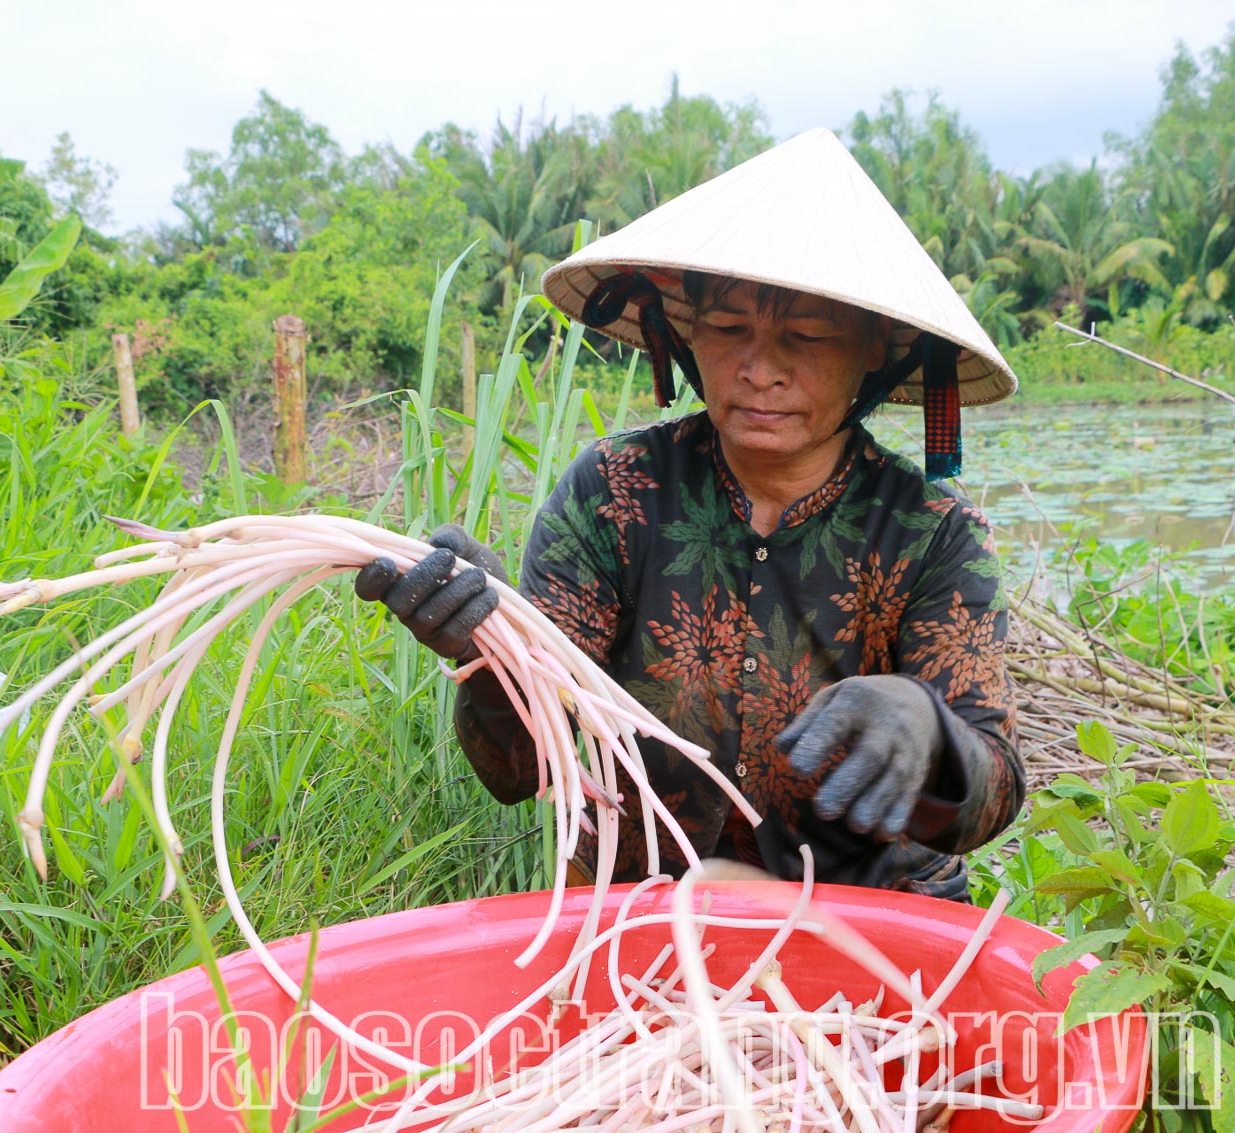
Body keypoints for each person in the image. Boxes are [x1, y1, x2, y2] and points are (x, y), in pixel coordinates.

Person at [355, 129, 1023, 901]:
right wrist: (498, 650)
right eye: (730, 329)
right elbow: (521, 773)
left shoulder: (931, 530)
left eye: (805, 337)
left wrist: (931, 732)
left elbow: (993, 793)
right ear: (685, 330)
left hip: (874, 929)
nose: (759, 369)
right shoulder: (611, 494)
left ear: (875, 347)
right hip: (641, 916)